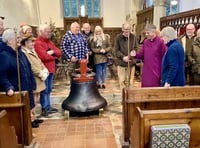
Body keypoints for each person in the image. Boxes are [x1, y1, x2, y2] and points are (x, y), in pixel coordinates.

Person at [0, 29, 37, 127]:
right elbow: (1, 75)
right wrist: (8, 87)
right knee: (20, 120)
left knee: (29, 114)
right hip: (16, 93)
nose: (19, 40)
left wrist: (33, 83)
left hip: (26, 90)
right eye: (17, 38)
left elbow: (28, 69)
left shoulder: (20, 53)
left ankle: (29, 134)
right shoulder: (4, 56)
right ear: (9, 41)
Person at [34, 24, 62, 117]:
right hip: (44, 70)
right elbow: (43, 57)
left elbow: (59, 52)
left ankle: (48, 106)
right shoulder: (37, 43)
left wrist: (53, 52)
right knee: (44, 90)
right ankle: (44, 108)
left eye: (49, 31)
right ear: (41, 32)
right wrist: (53, 56)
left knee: (49, 89)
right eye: (47, 31)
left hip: (51, 69)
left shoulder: (49, 42)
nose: (49, 32)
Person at [21, 34, 48, 124]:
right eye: (31, 42)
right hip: (34, 78)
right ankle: (31, 119)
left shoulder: (32, 51)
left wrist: (44, 70)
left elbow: (39, 61)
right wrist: (40, 73)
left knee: (36, 99)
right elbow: (31, 65)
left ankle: (35, 116)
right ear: (26, 43)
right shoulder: (24, 52)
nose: (33, 43)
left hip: (39, 78)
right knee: (31, 100)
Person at [115, 22, 137, 90]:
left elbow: (135, 48)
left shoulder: (133, 37)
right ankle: (123, 97)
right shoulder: (118, 37)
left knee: (130, 82)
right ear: (122, 29)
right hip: (121, 62)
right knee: (122, 82)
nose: (127, 31)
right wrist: (123, 57)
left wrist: (130, 56)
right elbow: (116, 50)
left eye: (128, 29)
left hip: (130, 62)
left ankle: (129, 97)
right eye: (125, 29)